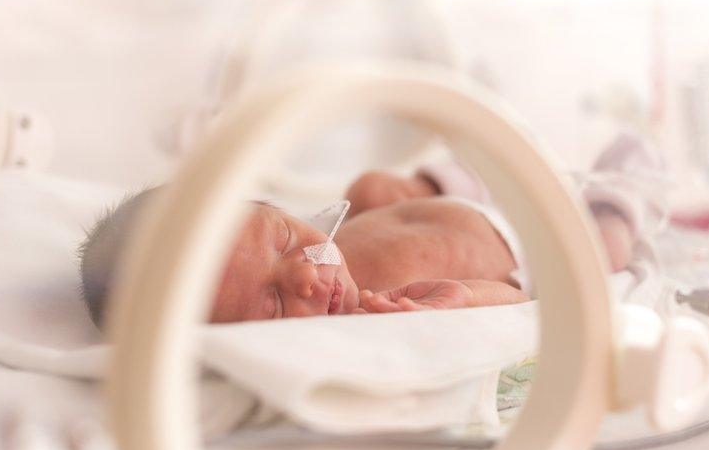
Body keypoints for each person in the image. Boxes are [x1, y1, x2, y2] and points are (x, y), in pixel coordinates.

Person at [79, 135, 661, 325]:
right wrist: (461, 301)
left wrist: (396, 198)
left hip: (464, 199)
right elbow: (515, 305)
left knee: (376, 189)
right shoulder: (373, 313)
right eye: (276, 305)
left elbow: (320, 236)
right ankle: (619, 194)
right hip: (535, 250)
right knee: (601, 253)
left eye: (283, 239)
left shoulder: (323, 252)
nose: (309, 275)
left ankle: (503, 169)